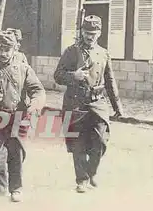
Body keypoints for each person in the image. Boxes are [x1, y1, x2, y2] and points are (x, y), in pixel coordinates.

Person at [0, 31, 46, 202]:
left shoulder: (23, 69)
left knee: (16, 153)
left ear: (15, 49)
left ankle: (16, 188)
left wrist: (35, 103)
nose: (3, 53)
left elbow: (38, 90)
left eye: (7, 49)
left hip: (16, 117)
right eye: (0, 49)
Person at [53, 15, 124, 193]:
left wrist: (117, 107)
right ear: (81, 32)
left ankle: (91, 171)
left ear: (99, 33)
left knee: (100, 140)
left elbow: (110, 80)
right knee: (78, 142)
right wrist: (73, 76)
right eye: (86, 32)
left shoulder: (103, 53)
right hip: (75, 101)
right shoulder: (71, 51)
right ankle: (82, 180)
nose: (89, 36)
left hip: (97, 102)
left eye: (93, 33)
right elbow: (57, 76)